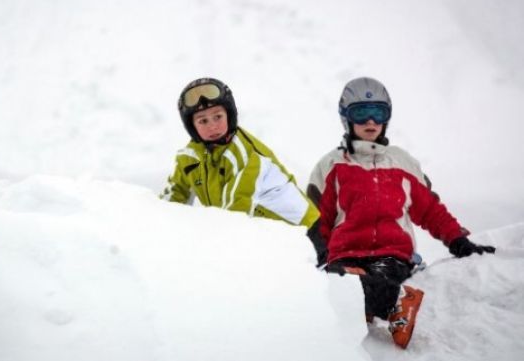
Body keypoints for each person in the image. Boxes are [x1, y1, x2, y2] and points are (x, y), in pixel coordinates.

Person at [306, 77, 495, 349]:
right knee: (344, 289)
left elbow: (430, 210)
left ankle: (398, 305)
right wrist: (321, 252)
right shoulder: (331, 165)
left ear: (387, 117)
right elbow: (316, 216)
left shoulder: (402, 162)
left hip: (391, 254)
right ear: (346, 117)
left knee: (381, 280)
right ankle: (372, 313)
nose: (371, 121)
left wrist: (457, 240)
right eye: (361, 113)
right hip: (344, 254)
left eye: (378, 113)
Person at [161, 77, 320, 250]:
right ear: (191, 126)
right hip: (267, 236)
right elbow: (171, 202)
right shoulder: (189, 158)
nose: (212, 126)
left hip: (307, 235)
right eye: (203, 121)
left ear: (230, 115)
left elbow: (235, 212)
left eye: (218, 117)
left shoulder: (244, 155)